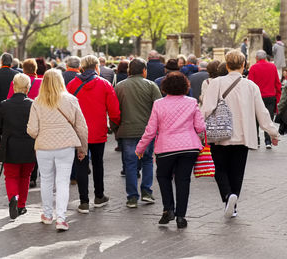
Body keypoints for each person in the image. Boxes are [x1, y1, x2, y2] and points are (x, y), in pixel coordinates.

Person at [201, 50, 279, 219]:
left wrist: (199, 130)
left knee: (219, 169)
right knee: (237, 171)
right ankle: (233, 204)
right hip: (243, 135)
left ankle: (228, 196)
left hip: (219, 134)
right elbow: (262, 113)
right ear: (244, 66)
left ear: (227, 65)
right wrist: (273, 133)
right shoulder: (251, 86)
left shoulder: (216, 83)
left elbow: (206, 110)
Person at [136, 71, 205, 228]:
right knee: (183, 180)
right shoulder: (192, 102)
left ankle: (168, 209)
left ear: (165, 87)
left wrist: (140, 148)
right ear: (185, 87)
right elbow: (200, 127)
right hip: (189, 147)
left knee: (163, 177)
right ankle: (181, 217)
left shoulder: (159, 104)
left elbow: (151, 130)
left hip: (166, 148)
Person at [27, 69, 88, 231]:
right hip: (66, 145)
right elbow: (81, 127)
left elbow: (32, 130)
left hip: (44, 146)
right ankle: (61, 218)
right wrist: (83, 148)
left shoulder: (37, 102)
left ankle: (47, 214)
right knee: (62, 181)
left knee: (46, 180)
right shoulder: (71, 99)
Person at [67, 55, 121, 214]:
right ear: (96, 67)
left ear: (82, 67)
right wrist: (114, 124)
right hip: (98, 131)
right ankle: (99, 196)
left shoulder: (71, 85)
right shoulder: (104, 84)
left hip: (78, 132)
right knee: (98, 164)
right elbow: (114, 110)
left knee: (81, 165)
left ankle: (84, 202)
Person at [114, 58, 162, 208]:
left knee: (130, 164)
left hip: (127, 131)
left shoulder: (119, 87)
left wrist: (116, 129)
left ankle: (132, 197)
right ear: (144, 71)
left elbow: (115, 111)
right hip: (147, 132)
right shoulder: (151, 85)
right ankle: (147, 192)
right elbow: (159, 109)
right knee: (147, 160)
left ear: (129, 71)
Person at [0, 73, 36, 220]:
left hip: (10, 146)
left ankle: (13, 197)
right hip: (29, 146)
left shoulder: (5, 105)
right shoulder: (32, 105)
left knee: (10, 176)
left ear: (14, 86)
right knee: (25, 177)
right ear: (27, 88)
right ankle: (21, 205)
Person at [6, 59, 43, 188]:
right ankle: (32, 176)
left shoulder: (15, 82)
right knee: (35, 146)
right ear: (35, 69)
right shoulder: (40, 82)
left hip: (18, 117)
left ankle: (19, 173)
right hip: (36, 118)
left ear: (24, 69)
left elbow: (10, 98)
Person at [248, 50, 281, 149]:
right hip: (270, 96)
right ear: (265, 57)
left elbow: (250, 84)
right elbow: (277, 83)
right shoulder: (272, 67)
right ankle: (268, 141)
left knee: (255, 119)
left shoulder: (253, 68)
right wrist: (278, 97)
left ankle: (256, 140)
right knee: (269, 118)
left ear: (257, 58)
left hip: (257, 97)